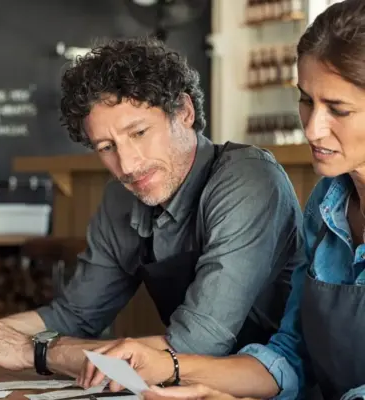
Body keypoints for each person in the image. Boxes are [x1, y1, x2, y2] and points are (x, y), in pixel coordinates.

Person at [0, 37, 303, 378]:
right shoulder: (121, 199)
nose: (127, 165)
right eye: (107, 146)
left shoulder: (248, 179)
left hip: (278, 388)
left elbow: (195, 344)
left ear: (184, 112)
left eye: (139, 132)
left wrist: (35, 352)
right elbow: (74, 316)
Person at [76, 1, 365, 399]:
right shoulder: (325, 205)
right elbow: (291, 355)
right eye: (306, 100)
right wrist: (168, 365)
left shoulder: (248, 176)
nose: (313, 129)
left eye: (339, 110)